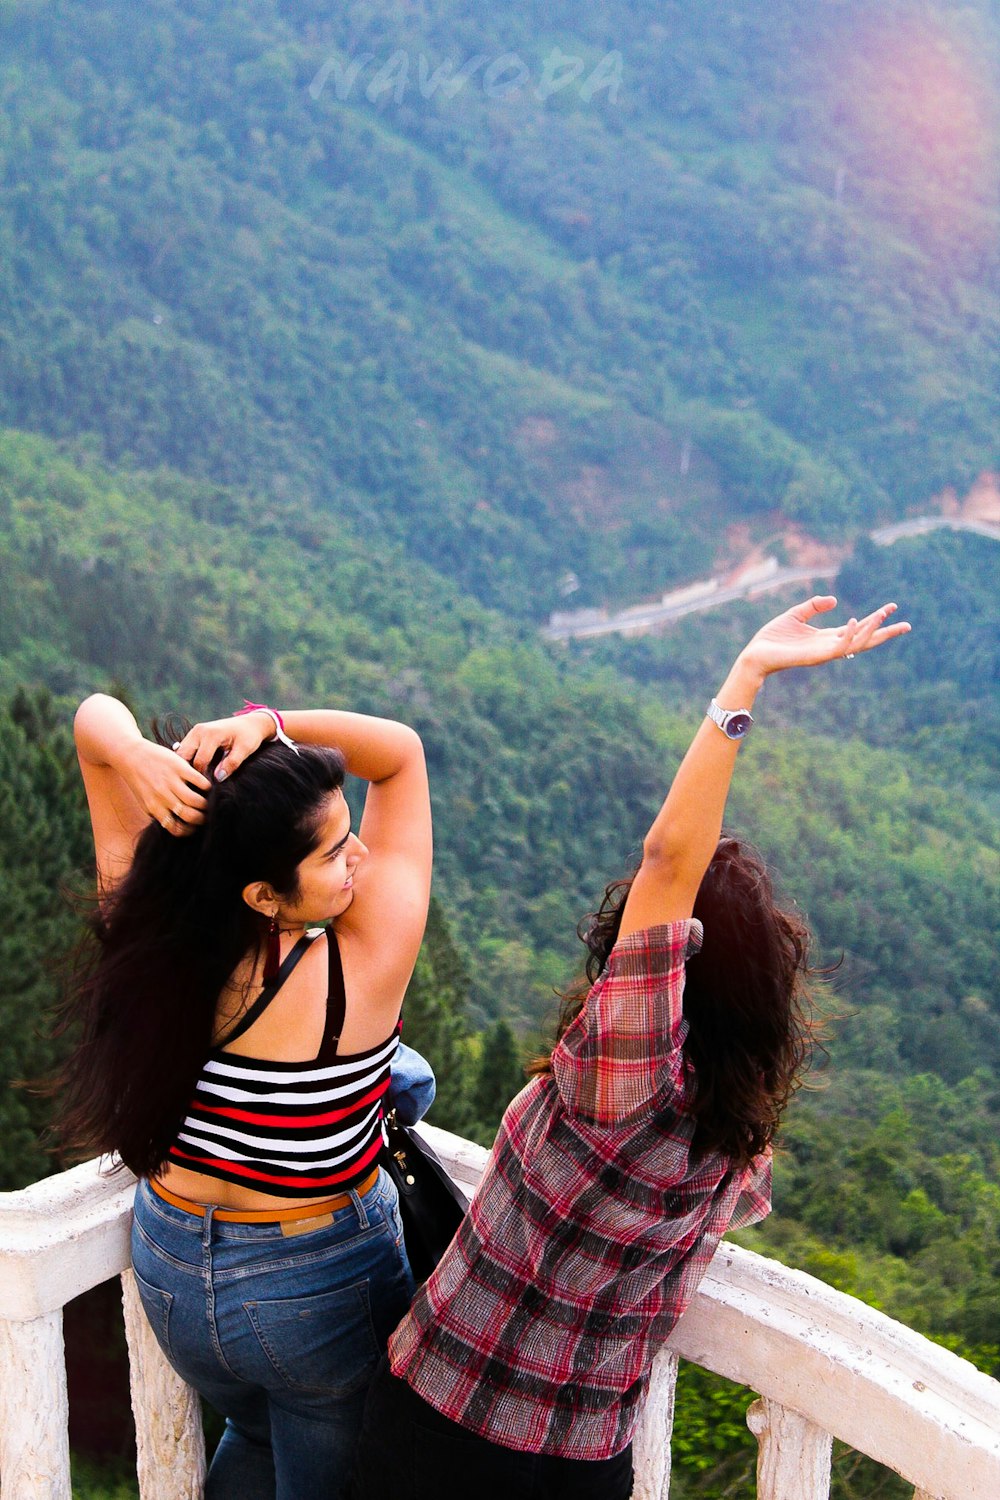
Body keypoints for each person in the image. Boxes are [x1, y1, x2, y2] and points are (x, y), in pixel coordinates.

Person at [350, 595, 910, 1500]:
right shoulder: (735, 1146)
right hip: (584, 1466)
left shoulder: (626, 1079)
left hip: (445, 1424)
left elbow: (666, 863)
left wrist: (746, 677)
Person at [57, 696, 432, 1500]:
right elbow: (399, 753)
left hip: (172, 1272)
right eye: (334, 853)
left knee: (257, 1435)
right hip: (313, 1292)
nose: (360, 854)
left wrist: (134, 756)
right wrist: (271, 720)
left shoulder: (148, 934)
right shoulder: (358, 972)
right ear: (263, 895)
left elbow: (94, 721)